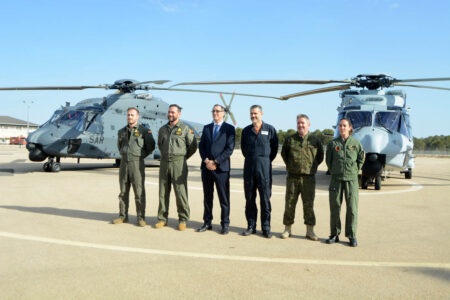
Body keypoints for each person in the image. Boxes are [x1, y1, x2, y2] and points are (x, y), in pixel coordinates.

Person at [280, 114, 324, 240]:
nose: (300, 125)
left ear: (308, 125)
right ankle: (287, 229)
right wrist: (292, 166)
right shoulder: (290, 140)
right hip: (292, 178)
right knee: (289, 204)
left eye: (303, 123)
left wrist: (311, 167)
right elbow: (284, 155)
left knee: (308, 204)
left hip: (308, 179)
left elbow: (320, 157)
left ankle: (310, 231)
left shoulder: (315, 140)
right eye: (298, 123)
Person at [154, 104, 197, 231]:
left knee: (180, 192)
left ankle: (183, 219)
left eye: (173, 112)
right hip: (165, 162)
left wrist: (182, 157)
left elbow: (193, 146)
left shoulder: (184, 129)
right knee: (163, 192)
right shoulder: (163, 129)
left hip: (179, 163)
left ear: (179, 114)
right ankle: (162, 219)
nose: (170, 114)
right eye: (169, 112)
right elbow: (160, 145)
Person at [113, 107, 155, 227]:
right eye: (128, 115)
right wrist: (124, 154)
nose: (130, 117)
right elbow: (119, 146)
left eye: (132, 115)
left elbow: (150, 146)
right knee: (123, 192)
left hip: (137, 164)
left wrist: (140, 155)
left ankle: (141, 217)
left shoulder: (144, 131)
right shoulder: (122, 131)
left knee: (139, 192)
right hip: (124, 164)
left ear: (137, 117)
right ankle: (122, 216)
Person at [325, 118, 364, 247]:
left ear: (350, 128)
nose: (342, 128)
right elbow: (328, 161)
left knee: (352, 208)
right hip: (336, 179)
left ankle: (351, 235)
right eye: (340, 126)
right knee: (335, 206)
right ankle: (334, 233)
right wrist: (335, 171)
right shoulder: (333, 144)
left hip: (351, 180)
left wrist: (354, 171)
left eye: (344, 126)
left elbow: (360, 159)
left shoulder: (356, 143)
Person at [241, 105, 278, 238]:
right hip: (249, 168)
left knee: (265, 200)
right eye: (251, 114)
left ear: (261, 114)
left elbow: (273, 150)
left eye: (255, 113)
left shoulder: (270, 130)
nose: (253, 116)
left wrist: (264, 160)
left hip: (264, 169)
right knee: (250, 199)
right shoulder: (246, 131)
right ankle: (251, 226)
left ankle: (266, 227)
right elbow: (244, 150)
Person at [197, 104, 235, 235]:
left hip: (221, 169)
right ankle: (207, 222)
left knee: (224, 198)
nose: (215, 113)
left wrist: (216, 161)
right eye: (213, 111)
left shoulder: (229, 129)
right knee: (207, 197)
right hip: (207, 168)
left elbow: (229, 148)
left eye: (217, 111)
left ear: (223, 113)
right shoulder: (207, 128)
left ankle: (225, 224)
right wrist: (206, 160)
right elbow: (201, 146)